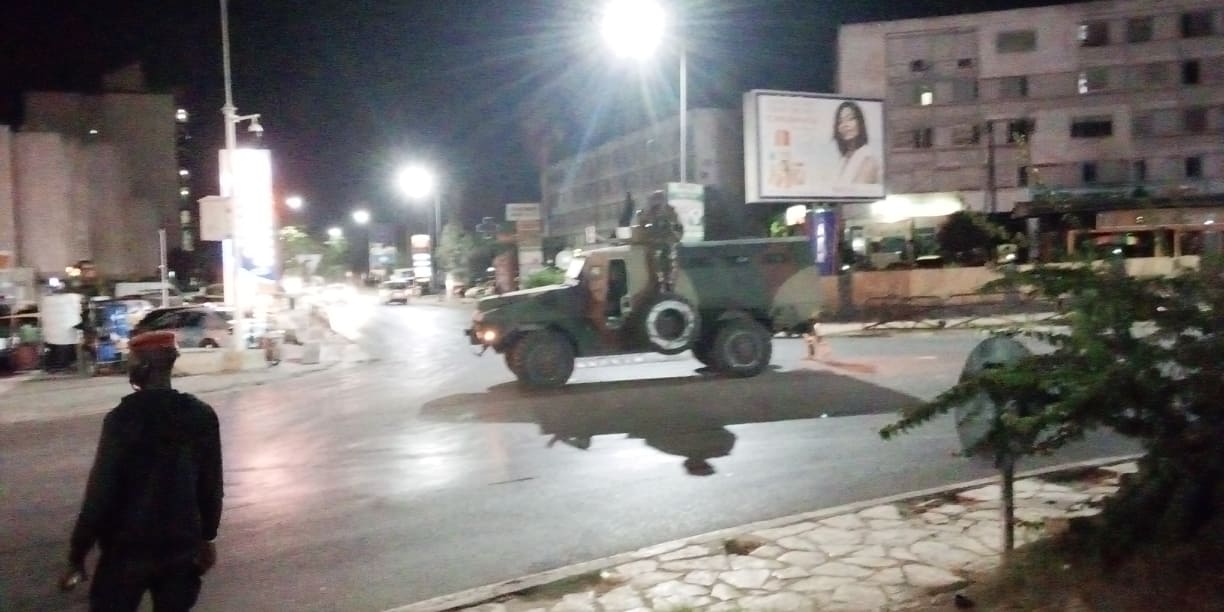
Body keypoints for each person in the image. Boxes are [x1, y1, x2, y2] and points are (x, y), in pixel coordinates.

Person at [60, 330, 223, 612]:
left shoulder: (122, 419)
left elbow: (100, 492)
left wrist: (78, 554)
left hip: (126, 552)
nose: (128, 368)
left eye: (132, 362)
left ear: (143, 367)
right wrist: (207, 538)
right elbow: (211, 486)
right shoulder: (200, 415)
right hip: (180, 549)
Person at [632, 190, 683, 292]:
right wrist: (647, 236)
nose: (657, 202)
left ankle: (667, 284)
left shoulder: (670, 211)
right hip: (652, 246)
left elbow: (679, 228)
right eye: (655, 199)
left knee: (669, 265)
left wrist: (674, 238)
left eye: (659, 199)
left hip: (666, 244)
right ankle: (660, 284)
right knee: (655, 267)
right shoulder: (645, 214)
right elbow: (640, 230)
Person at [832, 100, 881, 185]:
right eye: (840, 121)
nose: (845, 125)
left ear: (860, 122)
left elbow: (857, 193)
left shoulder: (868, 159)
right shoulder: (843, 159)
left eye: (850, 119)